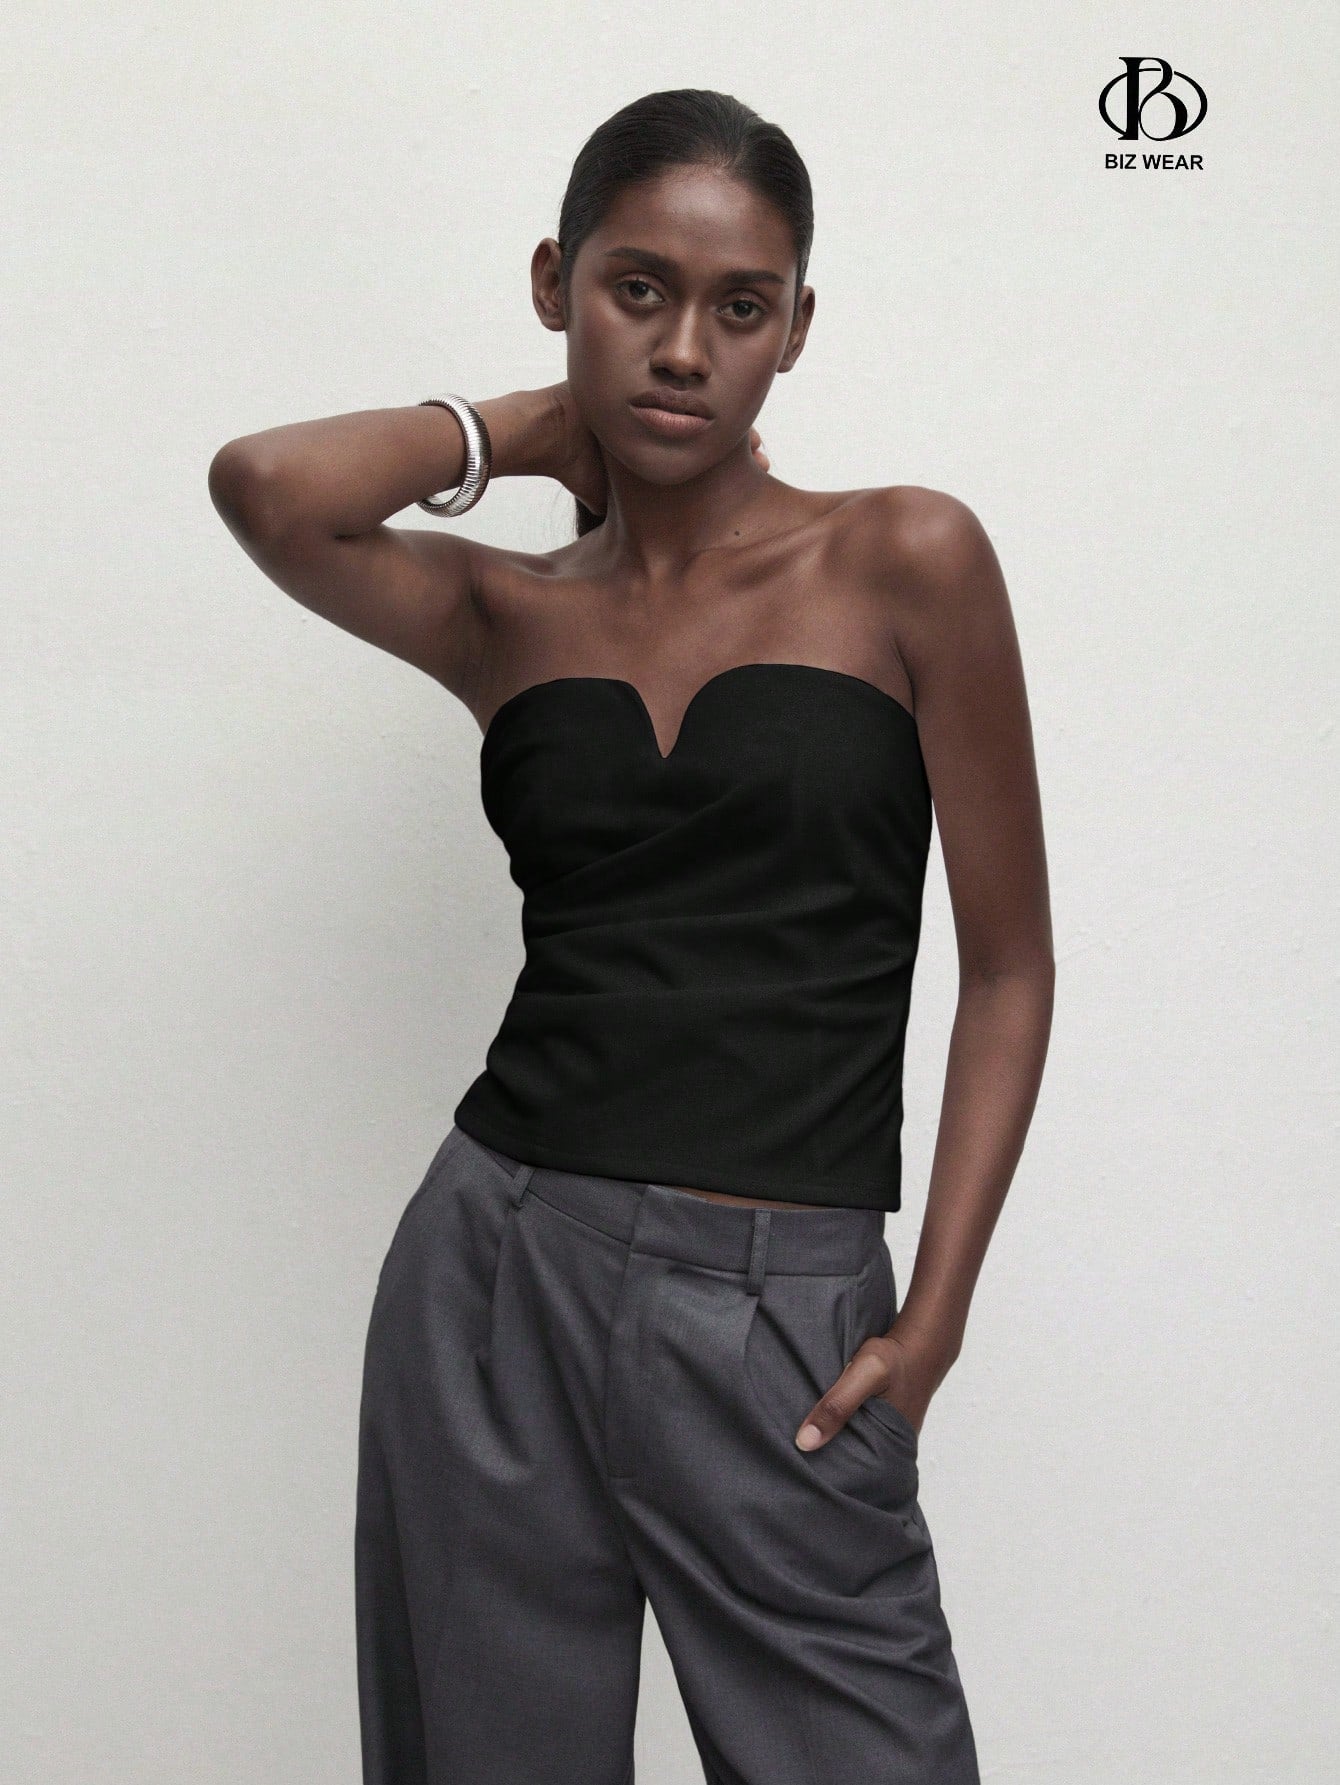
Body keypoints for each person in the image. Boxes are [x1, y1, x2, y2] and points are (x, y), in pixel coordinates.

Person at [209, 86, 1053, 1785]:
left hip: (785, 1307)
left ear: (796, 328)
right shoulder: (503, 610)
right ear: (558, 283)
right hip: (493, 1276)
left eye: (740, 307)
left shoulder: (905, 557)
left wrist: (936, 1316)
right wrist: (528, 429)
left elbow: (1012, 966)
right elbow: (268, 488)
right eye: (637, 290)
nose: (683, 350)